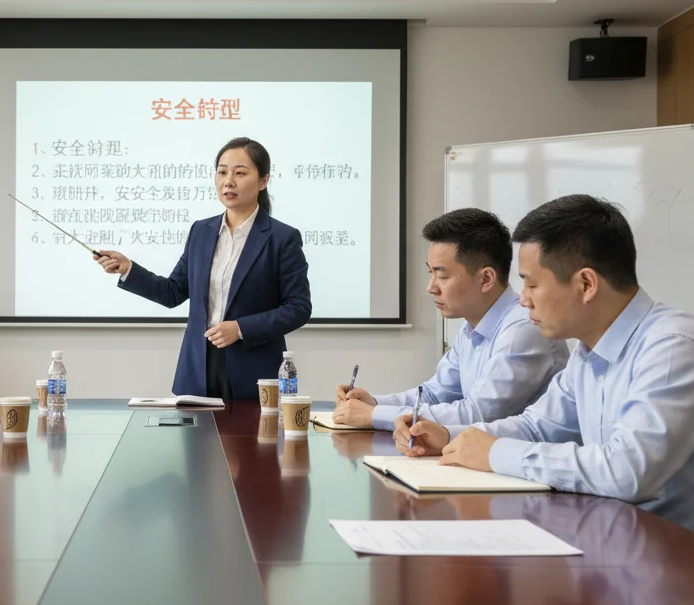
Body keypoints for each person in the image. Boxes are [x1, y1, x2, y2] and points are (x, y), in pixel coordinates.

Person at [398, 195, 694, 558]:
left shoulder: (672, 349)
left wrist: (495, 452)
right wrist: (452, 437)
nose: (523, 299)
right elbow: (537, 427)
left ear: (586, 284)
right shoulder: (589, 351)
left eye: (532, 284)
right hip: (633, 548)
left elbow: (628, 472)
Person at [96, 138, 311, 401]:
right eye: (222, 172)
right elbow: (173, 292)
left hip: (252, 368)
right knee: (196, 430)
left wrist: (240, 328)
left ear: (263, 181)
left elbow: (298, 308)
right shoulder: (201, 231)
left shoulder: (282, 238)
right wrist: (128, 269)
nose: (228, 182)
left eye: (240, 173)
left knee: (250, 430)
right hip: (198, 367)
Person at [332, 208, 567, 430]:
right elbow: (435, 393)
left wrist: (374, 415)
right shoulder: (471, 327)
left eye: (442, 276)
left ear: (486, 279)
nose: (431, 287)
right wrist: (373, 403)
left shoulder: (524, 328)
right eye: (430, 273)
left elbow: (477, 414)